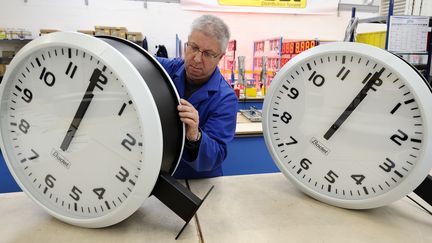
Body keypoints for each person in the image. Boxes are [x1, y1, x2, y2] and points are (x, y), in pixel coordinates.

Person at [156, 15, 238, 179]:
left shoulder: (225, 98)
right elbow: (137, 63)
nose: (197, 59)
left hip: (200, 182)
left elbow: (216, 154)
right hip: (162, 175)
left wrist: (195, 135)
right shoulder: (167, 69)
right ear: (187, 44)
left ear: (220, 57)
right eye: (193, 47)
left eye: (208, 54)